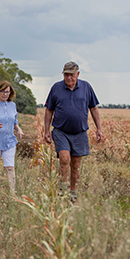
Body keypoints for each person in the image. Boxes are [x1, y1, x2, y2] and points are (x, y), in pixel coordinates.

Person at [44, 61, 103, 202]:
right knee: (64, 159)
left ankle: (73, 192)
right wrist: (47, 130)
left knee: (76, 164)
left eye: (71, 75)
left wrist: (99, 129)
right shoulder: (56, 88)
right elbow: (49, 110)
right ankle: (63, 191)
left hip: (80, 132)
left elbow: (93, 108)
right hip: (61, 131)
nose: (69, 78)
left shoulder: (86, 87)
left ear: (78, 74)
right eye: (66, 75)